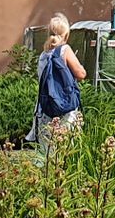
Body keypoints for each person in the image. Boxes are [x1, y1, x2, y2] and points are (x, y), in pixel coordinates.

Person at [31, 13, 86, 153]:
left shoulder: (43, 55)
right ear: (66, 35)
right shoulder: (65, 50)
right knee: (67, 147)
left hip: (45, 107)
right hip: (66, 106)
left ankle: (45, 173)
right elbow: (81, 74)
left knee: (47, 150)